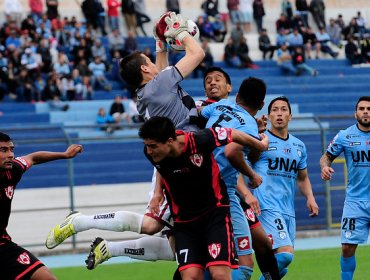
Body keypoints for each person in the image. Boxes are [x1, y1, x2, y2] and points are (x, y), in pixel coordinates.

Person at [46, 12, 205, 270]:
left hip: (177, 156)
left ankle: (109, 247)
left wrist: (160, 40)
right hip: (176, 160)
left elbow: (162, 68)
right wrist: (180, 32)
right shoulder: (160, 85)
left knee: (178, 245)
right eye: (149, 62)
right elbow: (197, 54)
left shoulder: (148, 91)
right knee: (152, 225)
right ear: (144, 69)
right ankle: (80, 222)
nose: (155, 65)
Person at [139, 116, 267, 279]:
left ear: (170, 141)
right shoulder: (153, 153)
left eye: (153, 146)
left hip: (214, 215)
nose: (148, 151)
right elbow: (161, 169)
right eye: (146, 146)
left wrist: (260, 145)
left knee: (219, 274)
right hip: (184, 223)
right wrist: (158, 193)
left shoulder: (200, 140)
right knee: (190, 276)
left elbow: (233, 134)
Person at [198, 76, 271, 279]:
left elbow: (199, 113)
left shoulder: (220, 106)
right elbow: (231, 151)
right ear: (262, 104)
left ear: (237, 95)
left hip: (199, 180)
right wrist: (252, 175)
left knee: (205, 256)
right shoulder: (248, 125)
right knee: (245, 263)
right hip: (222, 190)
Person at [252, 96, 319, 278]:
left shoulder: (299, 146)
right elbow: (245, 163)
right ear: (268, 115)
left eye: (283, 110)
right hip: (266, 206)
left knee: (280, 267)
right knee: (285, 255)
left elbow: (302, 178)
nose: (279, 113)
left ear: (291, 116)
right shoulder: (261, 140)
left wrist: (310, 197)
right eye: (275, 110)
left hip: (287, 210)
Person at [0, 132, 82, 280]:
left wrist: (65, 155)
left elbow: (33, 158)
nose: (10, 154)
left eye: (11, 149)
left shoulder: (13, 171)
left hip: (3, 245)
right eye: (3, 150)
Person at [320, 96, 370, 280]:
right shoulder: (344, 135)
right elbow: (325, 157)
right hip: (355, 202)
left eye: (369, 109)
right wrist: (325, 167)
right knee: (347, 248)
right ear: (355, 113)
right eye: (362, 108)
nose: (366, 111)